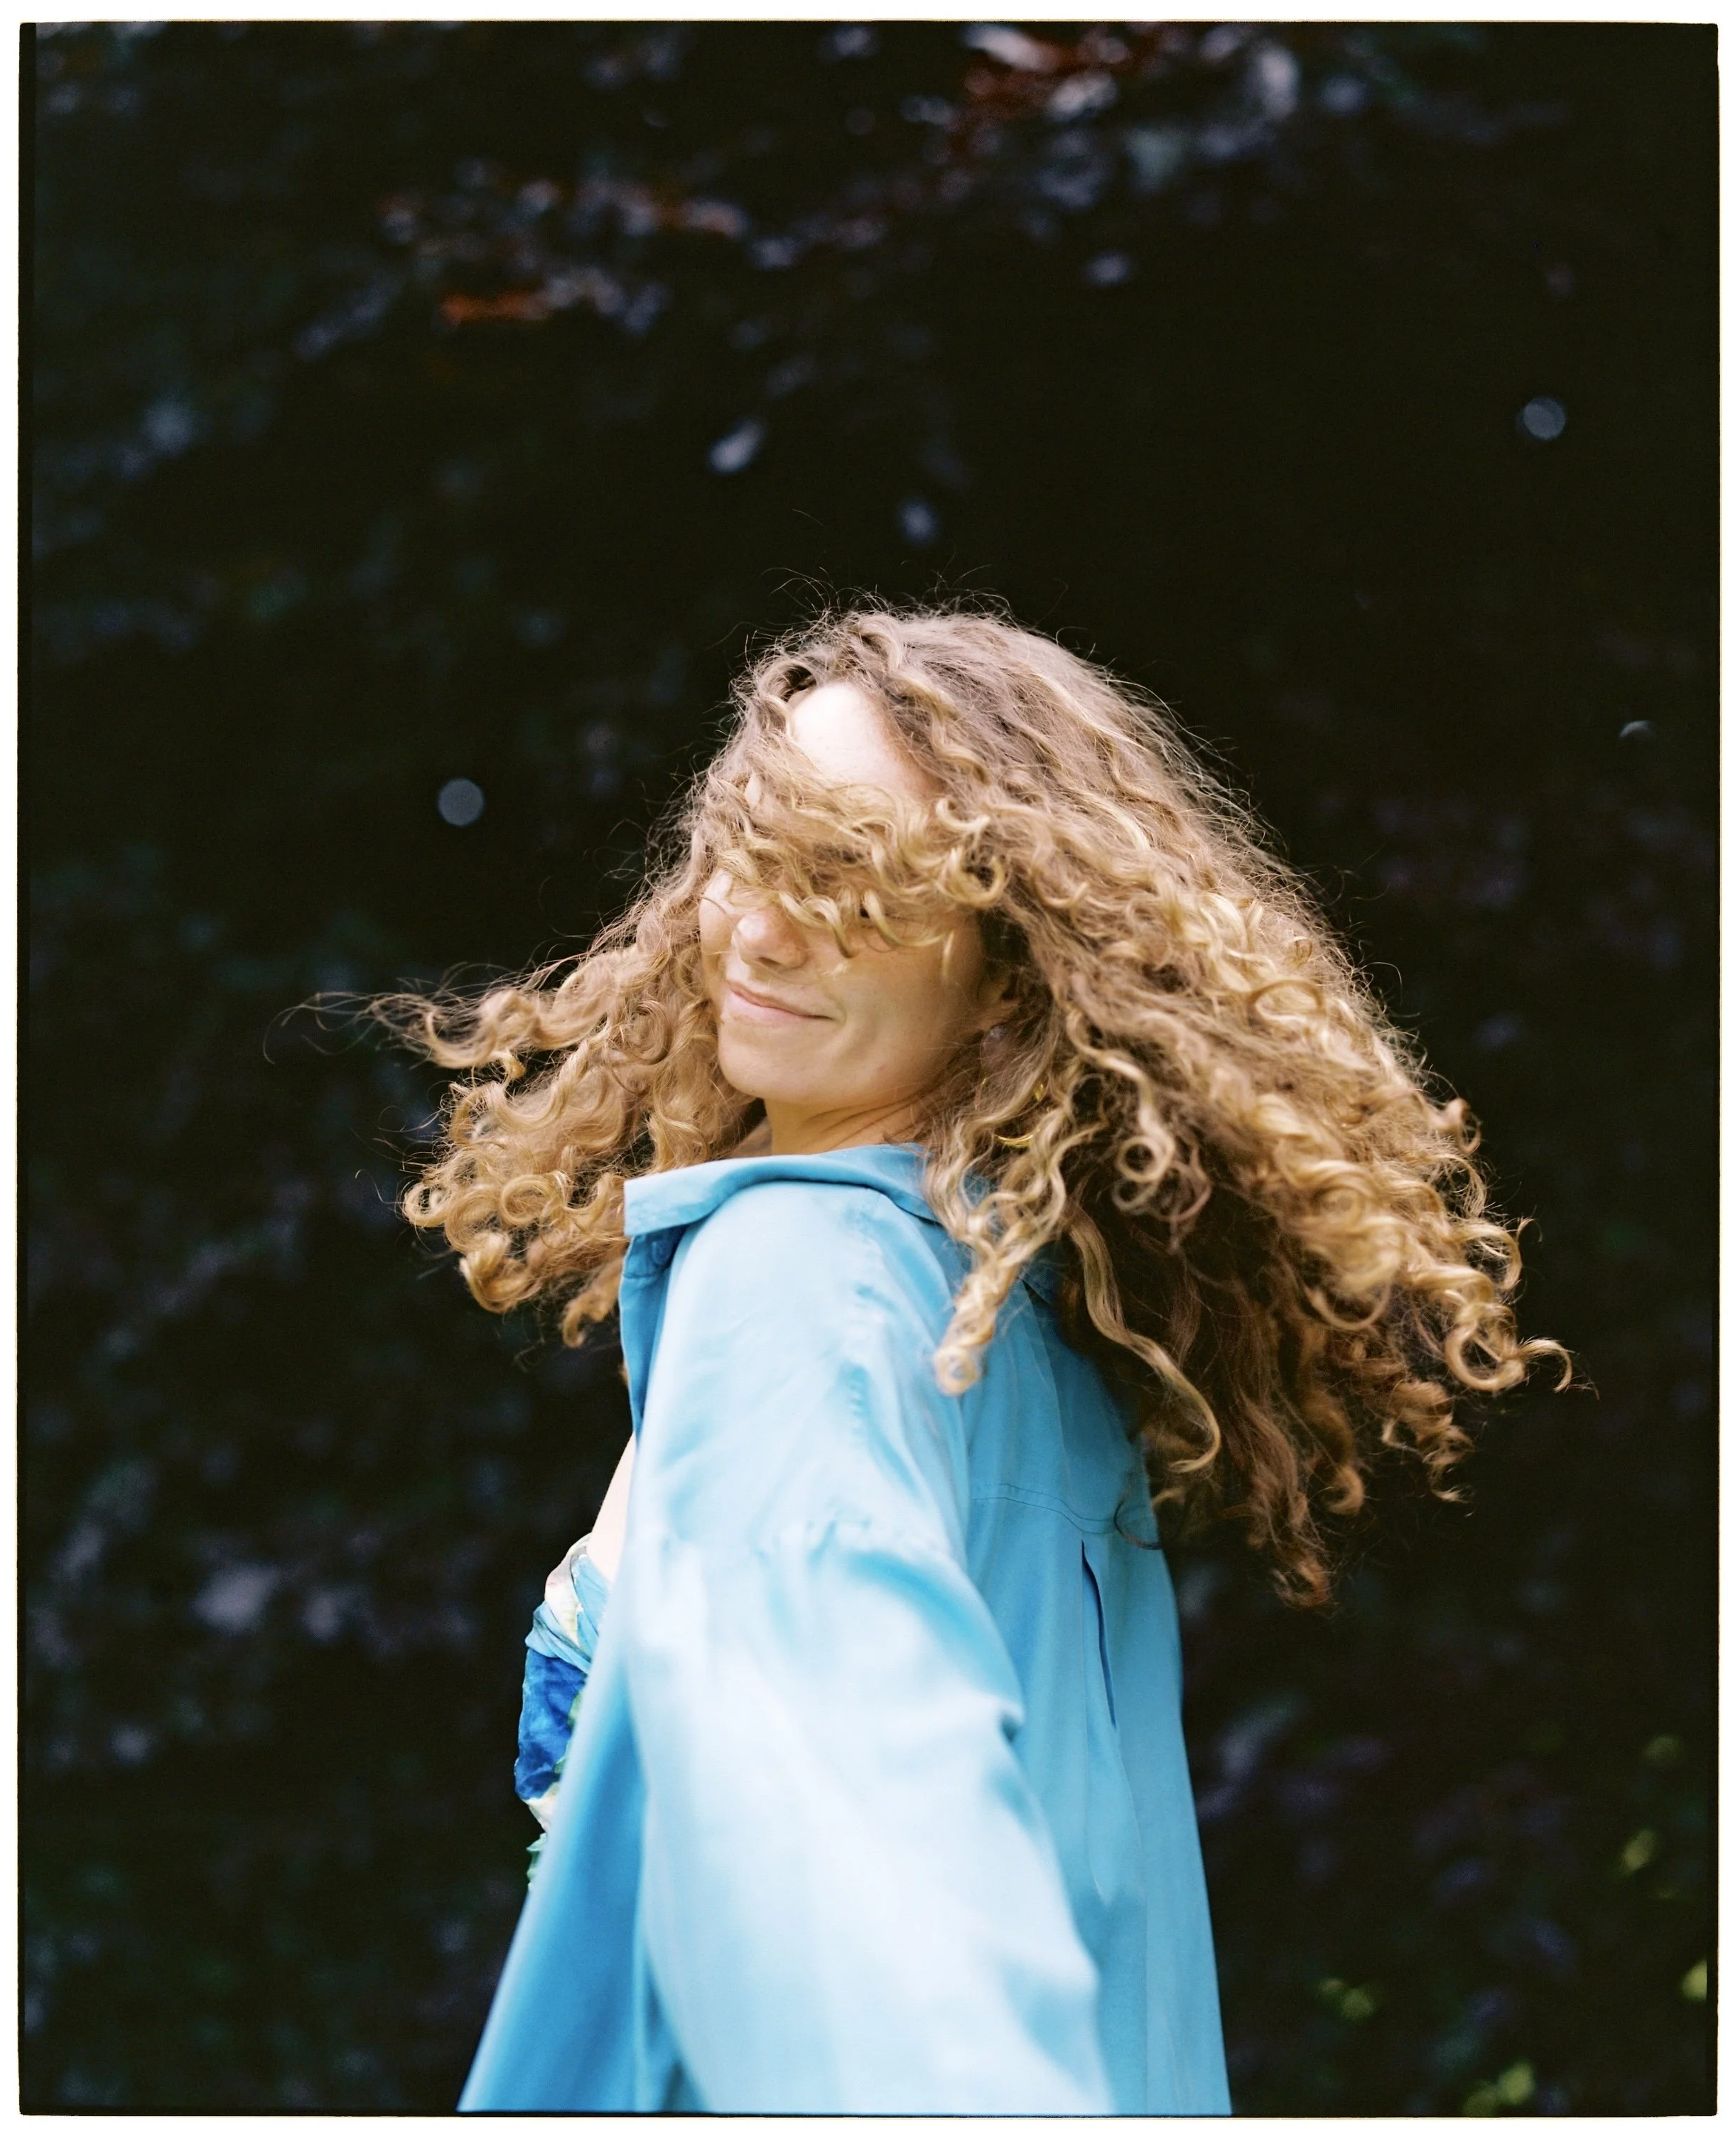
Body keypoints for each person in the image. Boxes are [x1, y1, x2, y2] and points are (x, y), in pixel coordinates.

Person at [389, 605, 1565, 2115]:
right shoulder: (1015, 1340)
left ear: (1011, 970)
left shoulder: (802, 1278)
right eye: (757, 844)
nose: (760, 927)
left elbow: (859, 1862)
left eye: (857, 880)